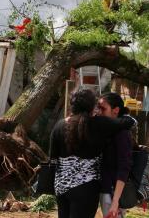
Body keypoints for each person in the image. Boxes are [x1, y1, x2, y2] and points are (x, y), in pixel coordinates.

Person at [49, 89, 135, 218]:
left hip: (61, 187)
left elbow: (52, 157)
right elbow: (129, 122)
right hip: (86, 188)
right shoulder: (97, 123)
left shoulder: (59, 125)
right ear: (91, 106)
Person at [97, 93, 136, 218]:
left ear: (116, 110)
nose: (99, 112)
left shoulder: (121, 133)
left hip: (113, 192)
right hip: (107, 189)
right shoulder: (110, 130)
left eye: (103, 108)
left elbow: (124, 167)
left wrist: (115, 201)